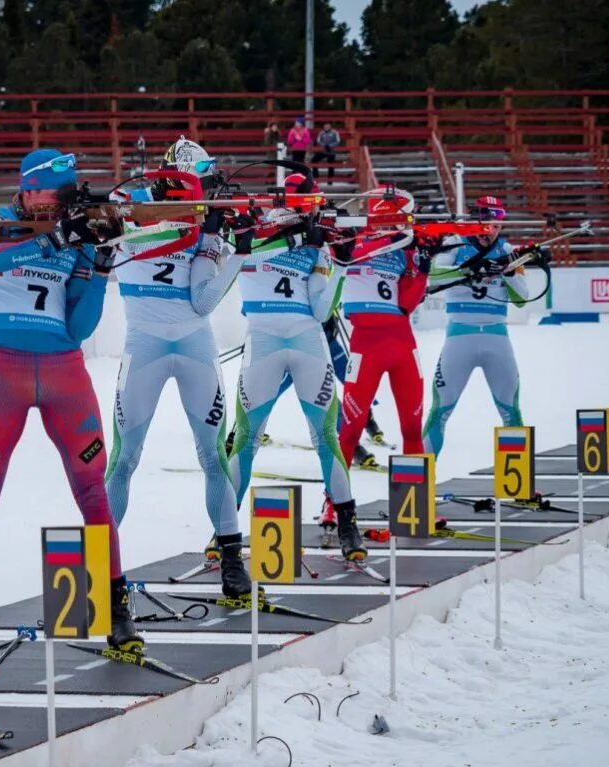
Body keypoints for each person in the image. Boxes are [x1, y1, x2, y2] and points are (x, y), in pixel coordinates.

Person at [0, 149, 137, 650]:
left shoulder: (73, 232)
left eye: (60, 200)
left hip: (64, 375)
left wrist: (98, 267)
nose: (53, 206)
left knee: (93, 493)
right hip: (3, 375)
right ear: (28, 189)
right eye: (48, 195)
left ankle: (118, 607)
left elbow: (77, 328)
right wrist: (52, 241)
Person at [104, 136, 253, 600]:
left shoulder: (204, 220)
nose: (205, 191)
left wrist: (234, 246)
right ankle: (103, 570)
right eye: (199, 182)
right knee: (124, 460)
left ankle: (231, 560)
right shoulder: (128, 204)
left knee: (212, 456)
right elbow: (108, 213)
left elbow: (203, 301)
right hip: (144, 345)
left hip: (194, 346)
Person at [226, 205, 366, 562]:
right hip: (262, 343)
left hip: (307, 341)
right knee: (245, 439)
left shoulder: (314, 247)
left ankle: (348, 524)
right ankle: (223, 531)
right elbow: (232, 255)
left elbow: (322, 310)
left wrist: (341, 266)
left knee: (326, 437)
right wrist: (291, 237)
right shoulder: (252, 243)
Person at [422, 195, 540, 457]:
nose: (493, 231)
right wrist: (470, 269)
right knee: (440, 410)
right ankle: (420, 486)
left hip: (497, 338)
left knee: (511, 411)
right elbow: (431, 275)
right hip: (459, 336)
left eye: (498, 226)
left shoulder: (509, 251)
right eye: (488, 224)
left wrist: (508, 271)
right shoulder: (453, 244)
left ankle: (519, 490)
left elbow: (521, 300)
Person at [335, 186, 429, 488]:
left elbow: (406, 304)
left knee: (412, 429)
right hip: (366, 347)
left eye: (397, 223)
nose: (393, 229)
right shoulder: (352, 244)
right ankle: (333, 505)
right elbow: (342, 258)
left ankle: (417, 505)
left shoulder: (404, 252)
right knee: (350, 430)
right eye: (386, 222)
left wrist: (421, 267)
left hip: (403, 345)